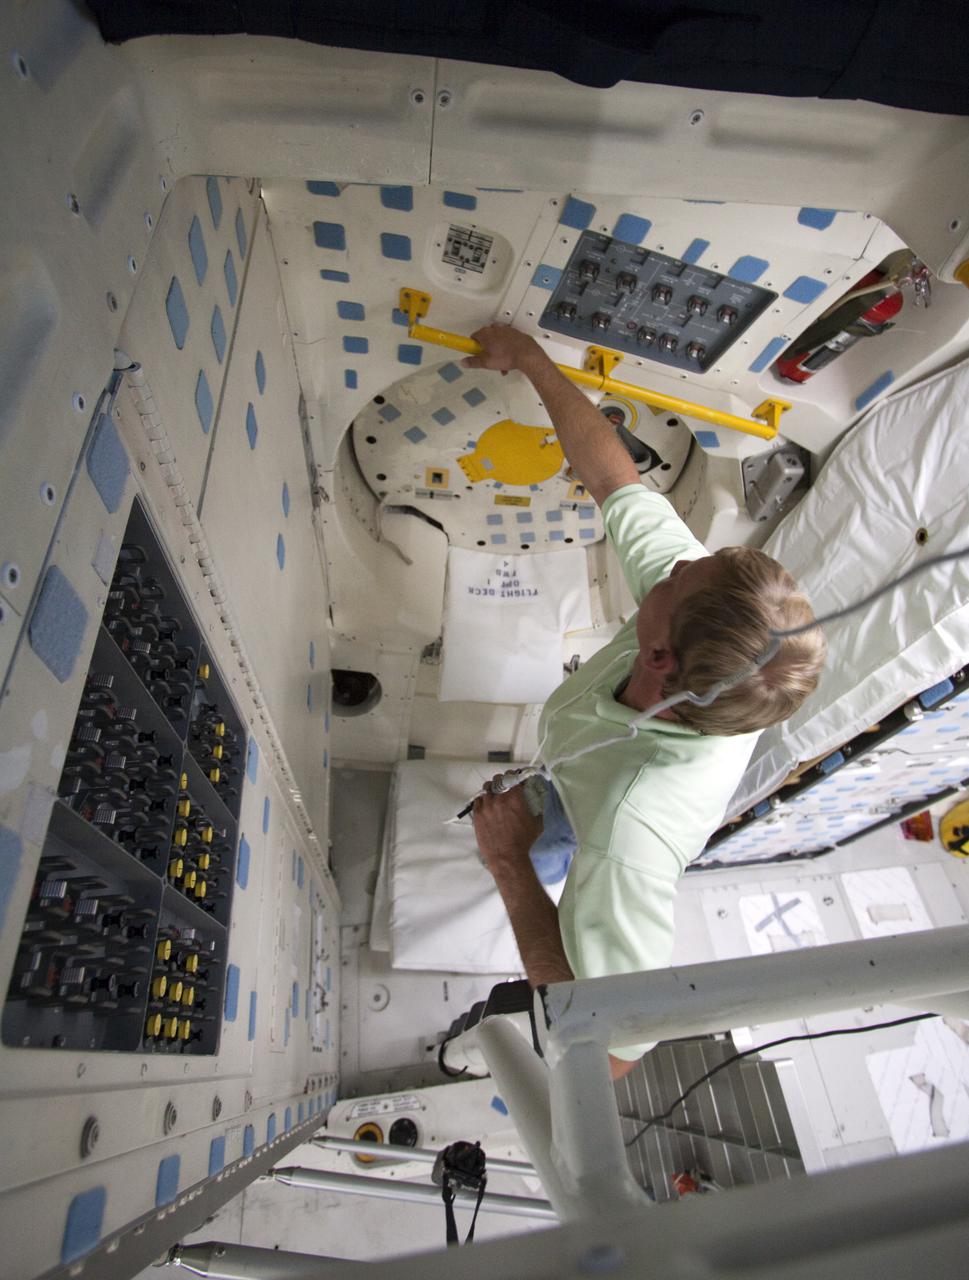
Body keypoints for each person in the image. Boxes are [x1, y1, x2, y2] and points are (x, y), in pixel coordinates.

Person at [464, 324, 827, 1080]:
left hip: (597, 815)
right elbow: (613, 480)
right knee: (549, 813)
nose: (667, 570)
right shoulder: (705, 637)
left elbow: (616, 1057)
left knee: (545, 846)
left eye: (669, 584)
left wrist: (508, 864)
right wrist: (532, 359)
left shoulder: (627, 834)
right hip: (579, 773)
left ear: (658, 661)